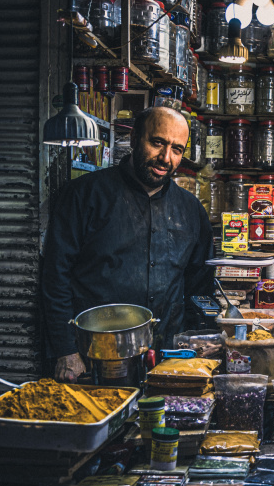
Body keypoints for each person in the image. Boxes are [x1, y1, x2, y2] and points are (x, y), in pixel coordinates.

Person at [42, 106, 215, 382]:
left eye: (177, 149)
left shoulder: (191, 209)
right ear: (134, 139)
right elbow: (55, 278)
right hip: (95, 360)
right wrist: (65, 351)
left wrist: (200, 339)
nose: (166, 158)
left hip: (166, 358)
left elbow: (200, 285)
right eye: (157, 142)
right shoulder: (84, 195)